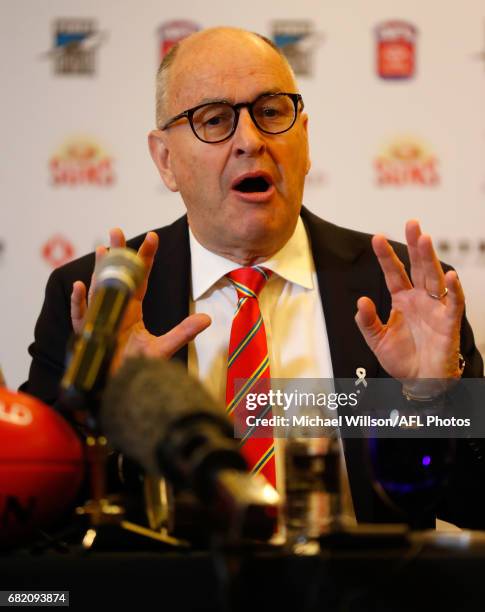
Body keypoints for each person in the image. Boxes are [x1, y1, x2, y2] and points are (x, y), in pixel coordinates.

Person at [21, 27, 484, 527]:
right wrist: (107, 414)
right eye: (215, 120)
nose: (250, 141)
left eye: (270, 112)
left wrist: (432, 398)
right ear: (165, 160)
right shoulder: (98, 302)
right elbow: (38, 505)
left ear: (304, 139)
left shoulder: (397, 292)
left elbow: (472, 504)